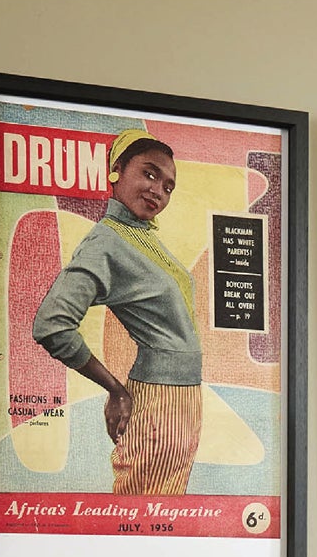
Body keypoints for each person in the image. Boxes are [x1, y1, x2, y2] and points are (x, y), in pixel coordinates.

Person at [32, 128, 202, 496]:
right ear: (118, 170)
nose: (158, 190)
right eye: (149, 173)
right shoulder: (106, 240)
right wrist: (115, 390)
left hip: (184, 400)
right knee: (142, 516)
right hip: (158, 401)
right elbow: (52, 324)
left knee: (166, 516)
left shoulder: (143, 236)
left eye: (168, 186)